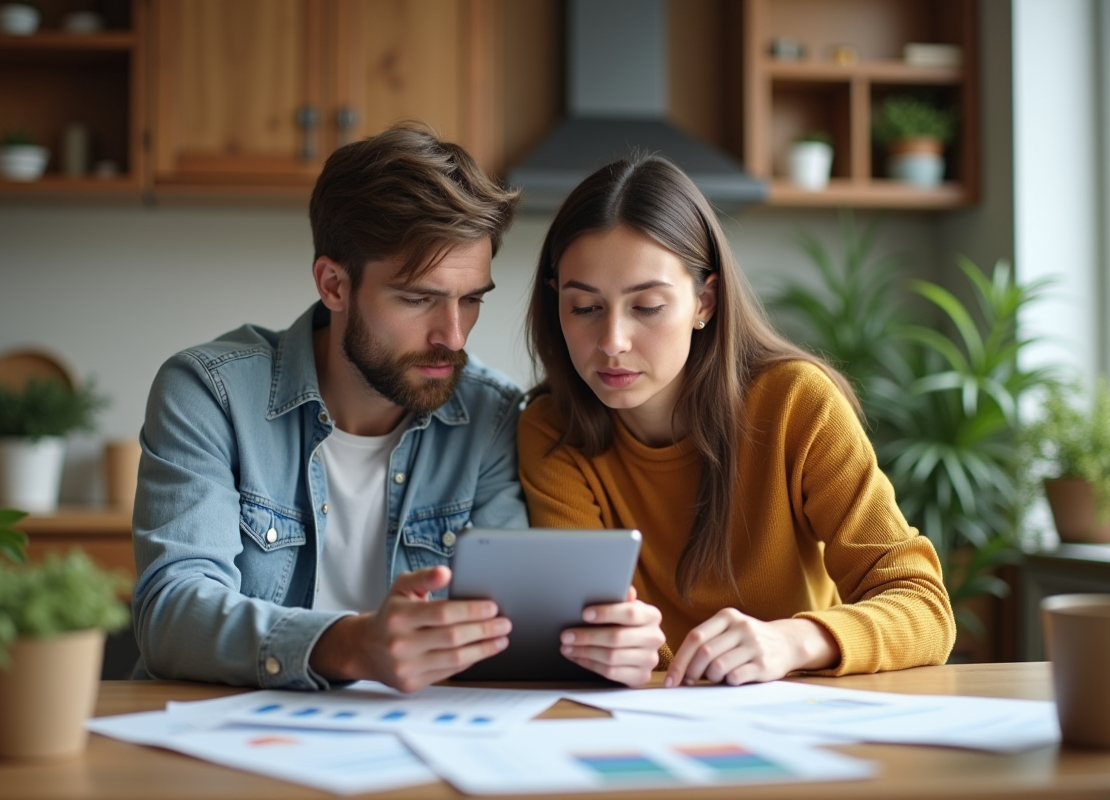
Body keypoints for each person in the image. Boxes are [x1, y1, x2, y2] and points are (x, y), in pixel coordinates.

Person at [518, 154, 956, 688]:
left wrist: (791, 641)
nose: (612, 342)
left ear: (705, 302)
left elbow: (924, 607)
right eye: (584, 308)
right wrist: (614, 651)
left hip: (797, 712)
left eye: (647, 306)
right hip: (644, 716)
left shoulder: (797, 403)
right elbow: (592, 629)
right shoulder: (551, 430)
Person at [133, 125, 532, 693]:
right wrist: (351, 645)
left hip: (424, 731)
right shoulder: (210, 394)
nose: (454, 335)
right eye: (418, 298)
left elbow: (515, 624)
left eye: (470, 300)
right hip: (237, 732)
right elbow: (171, 613)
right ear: (334, 284)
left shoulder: (490, 416)